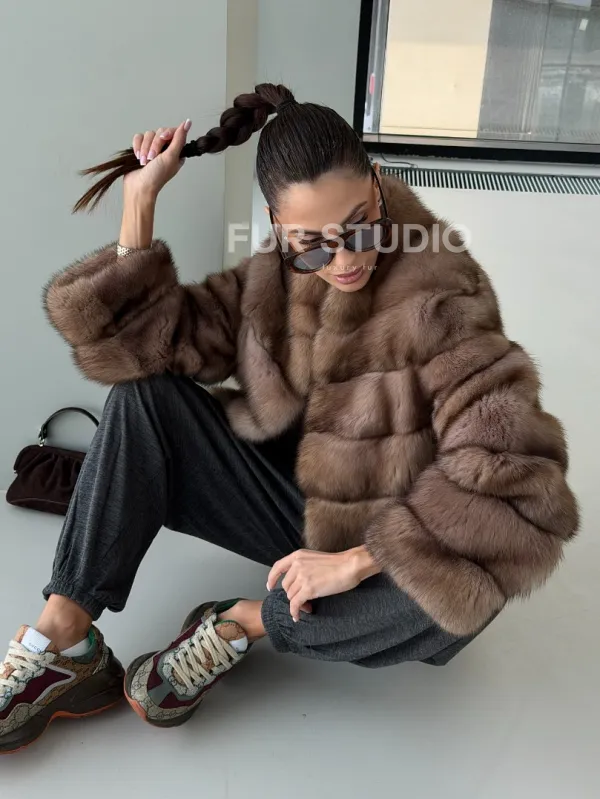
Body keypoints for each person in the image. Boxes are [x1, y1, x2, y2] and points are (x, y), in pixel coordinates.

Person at [0, 83, 578, 753]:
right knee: (144, 399)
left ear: (378, 183)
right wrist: (140, 204)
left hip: (402, 532)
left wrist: (360, 561)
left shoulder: (442, 302)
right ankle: (65, 637)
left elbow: (520, 482)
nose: (345, 260)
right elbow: (157, 345)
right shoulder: (279, 274)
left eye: (361, 227)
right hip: (301, 505)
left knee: (458, 595)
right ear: (278, 225)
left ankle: (244, 621)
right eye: (313, 246)